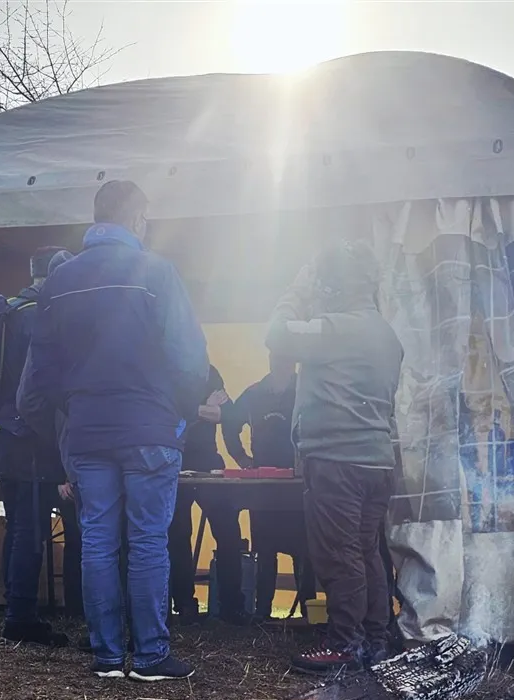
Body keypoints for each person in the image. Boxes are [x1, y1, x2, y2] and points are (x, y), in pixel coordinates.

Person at [19, 180, 209, 681]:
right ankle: (149, 656)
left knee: (97, 540)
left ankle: (106, 657)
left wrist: (75, 406)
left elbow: (41, 372)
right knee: (148, 540)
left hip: (87, 432)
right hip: (150, 428)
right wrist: (177, 410)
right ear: (138, 219)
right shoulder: (157, 273)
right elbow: (191, 360)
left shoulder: (59, 282)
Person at [266, 240, 403, 674]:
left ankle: (345, 644)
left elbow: (277, 336)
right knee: (366, 552)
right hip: (377, 460)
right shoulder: (386, 333)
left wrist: (296, 290)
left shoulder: (337, 327)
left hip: (338, 460)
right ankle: (374, 641)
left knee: (340, 555)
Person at [0, 245, 73, 648]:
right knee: (31, 528)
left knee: (18, 524)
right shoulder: (39, 318)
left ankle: (16, 605)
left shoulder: (7, 313)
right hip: (29, 438)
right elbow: (42, 385)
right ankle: (21, 617)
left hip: (0, 437)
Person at [221, 351, 313, 620]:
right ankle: (262, 614)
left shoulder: (307, 391)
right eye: (276, 354)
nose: (281, 360)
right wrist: (241, 457)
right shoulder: (254, 393)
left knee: (304, 553)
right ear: (271, 358)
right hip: (263, 486)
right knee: (265, 549)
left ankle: (308, 614)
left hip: (298, 485)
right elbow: (229, 423)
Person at [167, 364, 251, 625]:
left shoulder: (208, 371)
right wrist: (201, 410)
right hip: (175, 462)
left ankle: (230, 606)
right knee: (177, 534)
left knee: (228, 531)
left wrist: (190, 414)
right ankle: (184, 605)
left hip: (208, 464)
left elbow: (227, 415)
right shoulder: (164, 370)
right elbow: (169, 422)